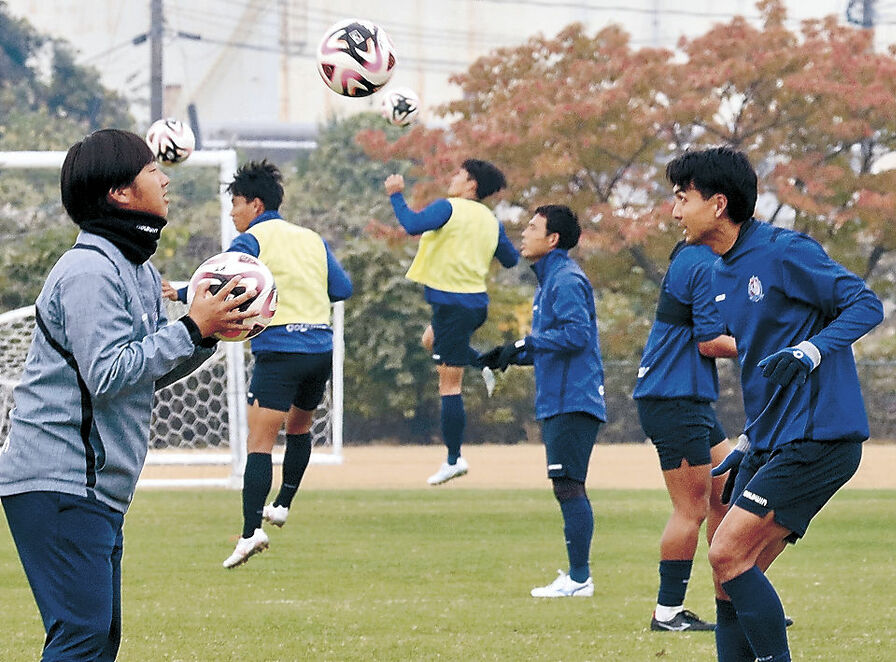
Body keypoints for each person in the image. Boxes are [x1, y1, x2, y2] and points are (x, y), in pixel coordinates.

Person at [0, 128, 254, 661]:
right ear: (120, 192)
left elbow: (142, 371)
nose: (164, 178)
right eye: (150, 171)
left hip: (91, 485)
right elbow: (109, 373)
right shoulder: (89, 269)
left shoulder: (136, 268)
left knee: (97, 637)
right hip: (60, 479)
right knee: (82, 636)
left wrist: (206, 332)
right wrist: (190, 327)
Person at [666, 146, 884, 661]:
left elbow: (865, 304)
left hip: (820, 436)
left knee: (726, 551)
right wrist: (749, 439)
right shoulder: (720, 271)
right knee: (728, 577)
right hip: (773, 438)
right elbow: (762, 367)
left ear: (717, 204)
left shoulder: (785, 251)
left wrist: (810, 351)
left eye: (682, 198)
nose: (674, 211)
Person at [163, 160, 352, 568]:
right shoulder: (311, 239)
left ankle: (250, 533)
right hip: (319, 348)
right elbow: (343, 288)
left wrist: (180, 293)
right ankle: (282, 504)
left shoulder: (252, 241)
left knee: (259, 445)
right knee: (300, 428)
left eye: (236, 204)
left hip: (280, 350)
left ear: (255, 203)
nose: (232, 214)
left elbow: (223, 282)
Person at [481, 204, 606, 598]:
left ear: (553, 239)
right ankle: (577, 576)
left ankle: (579, 578)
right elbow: (549, 345)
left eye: (533, 227)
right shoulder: (549, 281)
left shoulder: (565, 279)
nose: (524, 232)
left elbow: (576, 336)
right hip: (560, 398)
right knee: (566, 485)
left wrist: (525, 343)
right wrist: (507, 355)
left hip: (573, 399)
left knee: (569, 485)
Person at [383, 159, 519, 486]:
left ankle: (454, 459)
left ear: (471, 185)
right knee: (429, 340)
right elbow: (512, 259)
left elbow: (412, 225)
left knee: (450, 385)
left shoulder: (450, 208)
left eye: (459, 174)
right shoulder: (490, 220)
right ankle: (485, 363)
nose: (452, 178)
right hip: (473, 304)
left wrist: (396, 195)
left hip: (453, 305)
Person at [633, 239, 738, 631]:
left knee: (727, 495)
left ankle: (733, 604)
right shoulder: (702, 262)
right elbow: (710, 342)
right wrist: (769, 344)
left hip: (689, 399)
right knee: (690, 509)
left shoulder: (700, 261)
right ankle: (668, 614)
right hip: (673, 399)